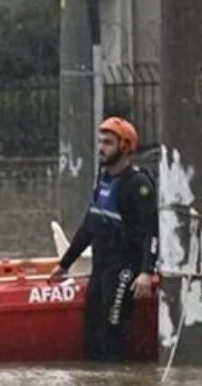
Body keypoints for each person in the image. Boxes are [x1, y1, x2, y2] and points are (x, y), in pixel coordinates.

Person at [50, 116, 158, 362]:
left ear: (125, 146)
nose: (101, 148)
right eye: (100, 142)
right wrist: (65, 263)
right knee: (92, 332)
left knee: (112, 332)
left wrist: (146, 272)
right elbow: (90, 226)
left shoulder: (137, 185)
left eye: (108, 143)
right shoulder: (104, 181)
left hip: (124, 270)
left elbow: (152, 230)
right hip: (101, 268)